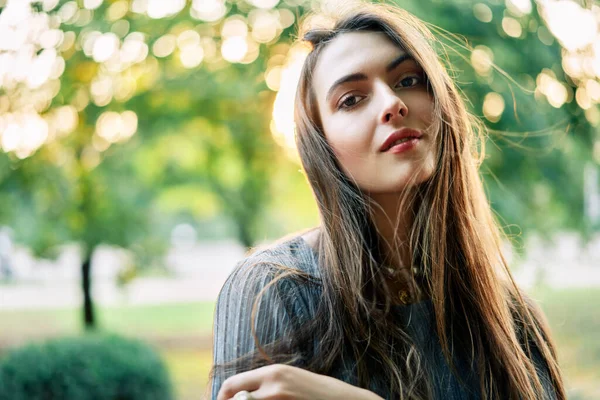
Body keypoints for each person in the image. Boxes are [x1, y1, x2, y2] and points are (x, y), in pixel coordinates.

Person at [210, 2, 566, 399]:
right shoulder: (274, 291)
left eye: (409, 80)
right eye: (351, 99)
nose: (392, 104)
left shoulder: (513, 319)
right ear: (323, 146)